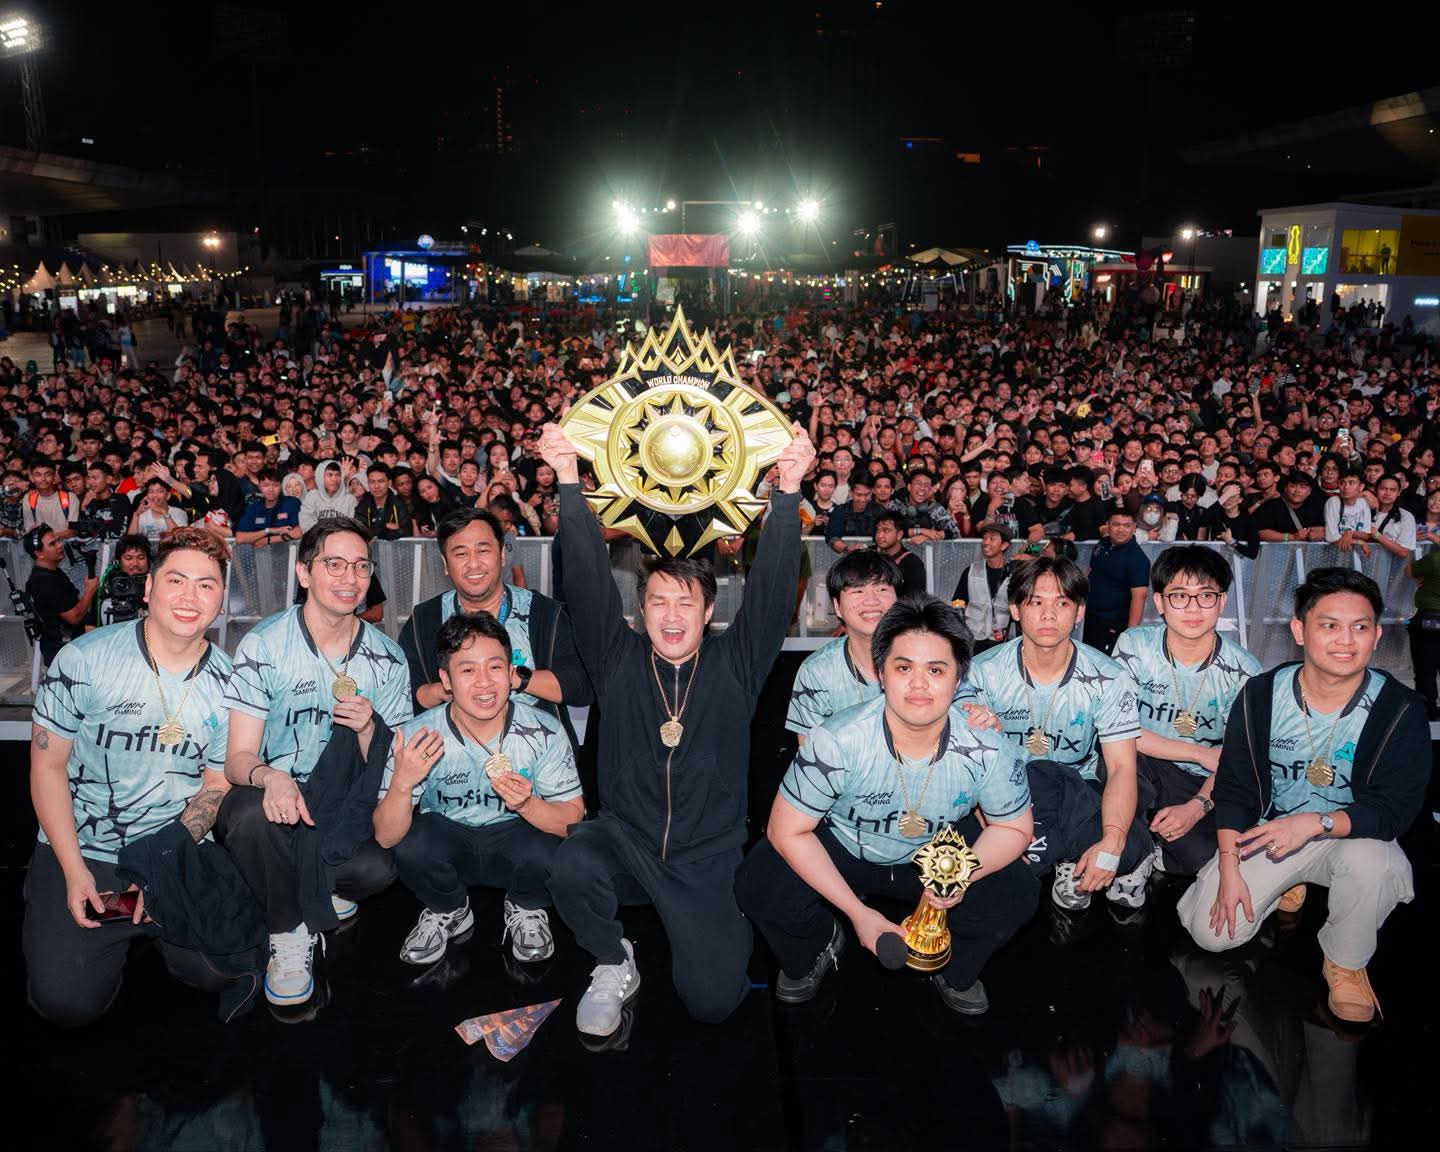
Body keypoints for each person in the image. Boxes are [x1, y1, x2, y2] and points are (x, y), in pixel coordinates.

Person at [537, 420, 813, 1040]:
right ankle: (613, 959)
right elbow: (585, 580)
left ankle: (708, 933)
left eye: (686, 602)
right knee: (571, 865)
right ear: (640, 609)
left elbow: (772, 593)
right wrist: (568, 481)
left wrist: (789, 492)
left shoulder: (736, 665)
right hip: (626, 840)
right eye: (659, 601)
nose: (671, 615)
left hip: (704, 857)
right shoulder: (616, 658)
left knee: (714, 1002)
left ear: (709, 611)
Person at [736, 595, 1037, 1015]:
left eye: (936, 670)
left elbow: (1014, 828)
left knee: (1017, 891)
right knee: (760, 882)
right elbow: (785, 830)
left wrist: (958, 877)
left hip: (939, 848)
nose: (919, 684)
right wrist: (857, 914)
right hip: (847, 843)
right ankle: (819, 943)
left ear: (957, 679)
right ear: (881, 674)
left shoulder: (988, 745)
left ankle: (955, 967)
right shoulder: (837, 740)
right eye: (903, 668)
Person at [1178, 569, 1429, 1025]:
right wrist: (1230, 867)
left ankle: (1345, 962)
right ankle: (1288, 882)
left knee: (1372, 862)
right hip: (1271, 834)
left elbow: (1394, 810)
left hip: (1349, 836)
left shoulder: (1400, 708)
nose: (1346, 640)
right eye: (1329, 625)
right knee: (1212, 935)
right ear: (1299, 630)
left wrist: (1317, 823)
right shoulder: (1261, 695)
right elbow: (1234, 786)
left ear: (1376, 636)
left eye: (1360, 627)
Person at [24, 528, 235, 1026]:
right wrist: (74, 870)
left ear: (222, 598)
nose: (190, 597)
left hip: (174, 847)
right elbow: (47, 766)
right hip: (85, 847)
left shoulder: (232, 683)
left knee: (224, 969)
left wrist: (164, 868)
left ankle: (158, 926)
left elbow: (217, 785)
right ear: (149, 587)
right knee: (66, 1004)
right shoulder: (85, 659)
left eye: (206, 585)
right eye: (176, 580)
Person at [217, 518, 413, 1008]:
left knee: (375, 869)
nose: (350, 578)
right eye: (334, 564)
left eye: (361, 566)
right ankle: (289, 932)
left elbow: (391, 768)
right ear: (304, 573)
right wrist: (271, 776)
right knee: (245, 817)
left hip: (340, 805)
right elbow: (237, 760)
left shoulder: (388, 658)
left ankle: (306, 883)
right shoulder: (264, 644)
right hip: (277, 802)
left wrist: (369, 731)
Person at [374, 612, 584, 968]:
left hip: (516, 840)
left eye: (495, 667)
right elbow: (385, 837)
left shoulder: (545, 730)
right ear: (446, 680)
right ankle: (449, 909)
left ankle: (526, 906)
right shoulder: (417, 735)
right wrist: (402, 783)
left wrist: (528, 805)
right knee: (412, 844)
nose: (485, 683)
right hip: (449, 841)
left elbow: (572, 821)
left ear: (511, 672)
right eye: (468, 670)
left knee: (554, 849)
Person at [968, 557, 1151, 912]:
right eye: (1036, 602)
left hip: (1077, 787)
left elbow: (1121, 768)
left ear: (1079, 611)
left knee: (1123, 847)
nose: (1049, 615)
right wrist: (988, 819)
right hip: (1008, 791)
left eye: (1062, 603)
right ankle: (1065, 852)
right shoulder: (983, 672)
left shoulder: (1108, 676)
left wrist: (1113, 841)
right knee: (990, 867)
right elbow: (969, 764)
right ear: (1015, 609)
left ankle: (1066, 851)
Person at [1112, 546, 1262, 876]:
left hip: (1200, 780)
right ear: (1160, 602)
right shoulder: (1135, 646)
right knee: (1116, 764)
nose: (1193, 608)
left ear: (1222, 601)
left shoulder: (1244, 671)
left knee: (1201, 859)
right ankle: (1133, 851)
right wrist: (1197, 752)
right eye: (1179, 596)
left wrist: (1197, 806)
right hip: (1144, 761)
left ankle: (1155, 841)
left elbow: (1239, 758)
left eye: (1206, 596)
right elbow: (1118, 730)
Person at [397, 507, 591, 749]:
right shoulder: (424, 620)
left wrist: (512, 677)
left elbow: (580, 687)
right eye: (461, 554)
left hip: (540, 757)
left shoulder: (544, 613)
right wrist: (447, 689)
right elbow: (404, 696)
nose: (473, 563)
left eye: (483, 550)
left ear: (502, 555)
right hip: (452, 760)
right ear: (445, 563)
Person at [785, 550, 903, 741]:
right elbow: (811, 752)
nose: (871, 600)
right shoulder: (817, 671)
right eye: (857, 591)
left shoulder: (928, 658)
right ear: (837, 607)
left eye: (882, 589)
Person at [24, 526, 98, 666]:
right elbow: (74, 617)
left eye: (58, 540)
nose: (59, 546)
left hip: (70, 648)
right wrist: (90, 590)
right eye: (52, 544)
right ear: (39, 554)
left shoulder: (53, 573)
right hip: (63, 654)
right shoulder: (44, 581)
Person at [1085, 504, 1150, 654]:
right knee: (1089, 658)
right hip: (1092, 618)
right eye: (1116, 524)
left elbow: (1139, 596)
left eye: (1127, 525)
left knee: (1107, 664)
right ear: (1107, 525)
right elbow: (1091, 571)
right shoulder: (1102, 544)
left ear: (1134, 527)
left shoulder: (1137, 558)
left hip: (1114, 624)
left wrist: (1130, 634)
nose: (1121, 530)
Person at [952, 520, 1014, 652]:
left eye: (992, 539)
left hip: (1002, 641)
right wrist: (960, 622)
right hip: (973, 639)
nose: (986, 542)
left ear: (1004, 545)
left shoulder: (1013, 575)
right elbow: (958, 600)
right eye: (984, 538)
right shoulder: (971, 570)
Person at [1406, 546, 1440, 719]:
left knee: (1425, 670)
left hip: (1430, 621)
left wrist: (1424, 578)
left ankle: (1428, 711)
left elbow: (1408, 570)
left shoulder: (1434, 560)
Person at [233, 469, 303, 548]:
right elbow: (239, 538)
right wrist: (269, 530)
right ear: (259, 487)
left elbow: (298, 532)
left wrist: (268, 540)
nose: (271, 490)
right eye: (266, 485)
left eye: (276, 485)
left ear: (281, 487)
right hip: (261, 554)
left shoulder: (291, 503)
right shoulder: (253, 508)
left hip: (289, 552)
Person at [93, 534, 151, 628]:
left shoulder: (157, 584)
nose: (135, 563)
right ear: (118, 561)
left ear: (148, 559)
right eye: (128, 558)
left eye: (140, 558)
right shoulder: (108, 587)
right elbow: (90, 626)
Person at [873, 510, 926, 596]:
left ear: (899, 535)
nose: (880, 535)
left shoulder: (913, 564)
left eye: (886, 530)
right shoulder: (868, 556)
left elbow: (915, 599)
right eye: (877, 530)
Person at [354, 463, 413, 540]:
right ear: (368, 483)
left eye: (381, 481)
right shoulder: (364, 503)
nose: (376, 486)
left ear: (389, 483)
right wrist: (385, 526)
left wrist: (376, 529)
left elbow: (406, 532)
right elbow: (359, 532)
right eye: (372, 482)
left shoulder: (398, 504)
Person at [1323, 469, 1373, 553]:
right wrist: (1359, 542)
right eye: (1342, 483)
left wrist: (1351, 533)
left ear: (1361, 487)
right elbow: (1331, 537)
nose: (1346, 487)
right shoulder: (1333, 501)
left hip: (1356, 553)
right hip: (1333, 553)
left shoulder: (1364, 503)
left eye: (1351, 483)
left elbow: (1366, 534)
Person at [299, 459, 357, 530]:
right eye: (330, 475)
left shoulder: (350, 500)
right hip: (317, 536)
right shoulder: (311, 496)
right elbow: (306, 524)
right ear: (320, 476)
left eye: (338, 475)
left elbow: (353, 528)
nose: (334, 479)